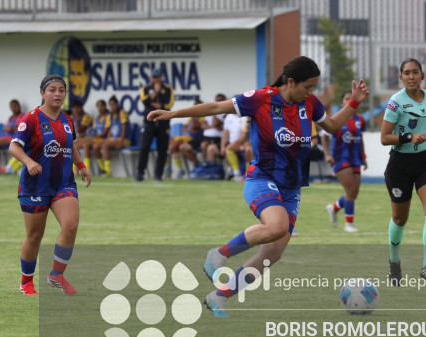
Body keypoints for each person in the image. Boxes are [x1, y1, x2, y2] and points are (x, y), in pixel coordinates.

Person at [147, 56, 369, 317]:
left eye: (313, 87)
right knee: (277, 227)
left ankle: (219, 296)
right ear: (290, 82)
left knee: (271, 255)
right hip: (262, 178)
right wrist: (173, 114)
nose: (311, 92)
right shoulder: (261, 98)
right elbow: (217, 108)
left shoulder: (308, 102)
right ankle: (218, 255)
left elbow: (331, 126)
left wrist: (354, 102)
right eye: (307, 87)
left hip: (291, 187)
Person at [8, 74, 92, 296]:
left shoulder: (68, 119)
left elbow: (70, 145)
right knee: (35, 236)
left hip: (64, 183)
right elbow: (14, 147)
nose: (57, 94)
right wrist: (28, 161)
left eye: (61, 90)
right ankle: (26, 282)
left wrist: (81, 164)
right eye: (52, 90)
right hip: (35, 187)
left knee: (71, 226)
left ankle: (56, 275)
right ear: (42, 93)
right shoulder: (32, 118)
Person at [380, 58, 426, 286]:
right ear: (401, 77)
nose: (411, 77)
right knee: (400, 219)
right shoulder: (395, 103)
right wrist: (409, 137)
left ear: (422, 75)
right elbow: (384, 138)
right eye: (407, 73)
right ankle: (394, 263)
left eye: (415, 72)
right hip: (400, 164)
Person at [324, 90, 368, 233]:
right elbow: (324, 136)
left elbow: (360, 139)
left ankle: (334, 208)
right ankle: (349, 224)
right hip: (340, 158)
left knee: (354, 193)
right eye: (347, 99)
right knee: (350, 190)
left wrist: (364, 157)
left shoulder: (360, 119)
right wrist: (327, 155)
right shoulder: (336, 119)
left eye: (352, 98)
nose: (350, 101)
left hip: (355, 158)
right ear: (342, 102)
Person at [136, 68, 174, 182]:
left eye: (158, 77)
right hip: (149, 121)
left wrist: (156, 104)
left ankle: (158, 175)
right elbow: (145, 101)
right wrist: (156, 93)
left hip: (163, 122)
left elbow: (169, 105)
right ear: (151, 78)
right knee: (144, 147)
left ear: (162, 77)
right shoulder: (146, 88)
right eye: (154, 77)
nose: (156, 80)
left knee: (162, 149)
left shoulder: (168, 89)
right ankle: (140, 174)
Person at [169, 103, 203, 179]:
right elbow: (183, 129)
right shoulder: (190, 119)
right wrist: (189, 129)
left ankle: (180, 169)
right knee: (170, 142)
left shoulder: (201, 117)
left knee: (177, 143)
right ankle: (174, 168)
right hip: (185, 137)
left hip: (192, 138)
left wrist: (193, 118)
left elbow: (195, 128)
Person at [100, 96, 130, 177]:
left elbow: (124, 129)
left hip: (125, 139)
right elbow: (110, 131)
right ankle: (103, 169)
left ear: (117, 104)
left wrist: (120, 142)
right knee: (98, 145)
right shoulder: (109, 116)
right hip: (115, 139)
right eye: (110, 105)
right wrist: (108, 139)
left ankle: (108, 171)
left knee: (105, 145)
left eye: (113, 104)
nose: (112, 107)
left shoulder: (122, 113)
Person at [78, 99, 107, 173]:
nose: (99, 108)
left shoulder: (108, 117)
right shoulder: (97, 117)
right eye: (98, 106)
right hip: (95, 138)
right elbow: (93, 131)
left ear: (105, 107)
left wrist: (95, 137)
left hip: (102, 138)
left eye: (101, 106)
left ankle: (86, 169)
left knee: (85, 144)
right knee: (76, 144)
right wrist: (87, 134)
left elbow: (106, 132)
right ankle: (74, 170)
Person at [221, 112, 250, 181]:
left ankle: (248, 174)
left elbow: (244, 135)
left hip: (245, 143)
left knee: (248, 149)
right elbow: (225, 133)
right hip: (235, 144)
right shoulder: (228, 117)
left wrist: (237, 142)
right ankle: (236, 173)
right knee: (228, 148)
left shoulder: (246, 116)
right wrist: (222, 146)